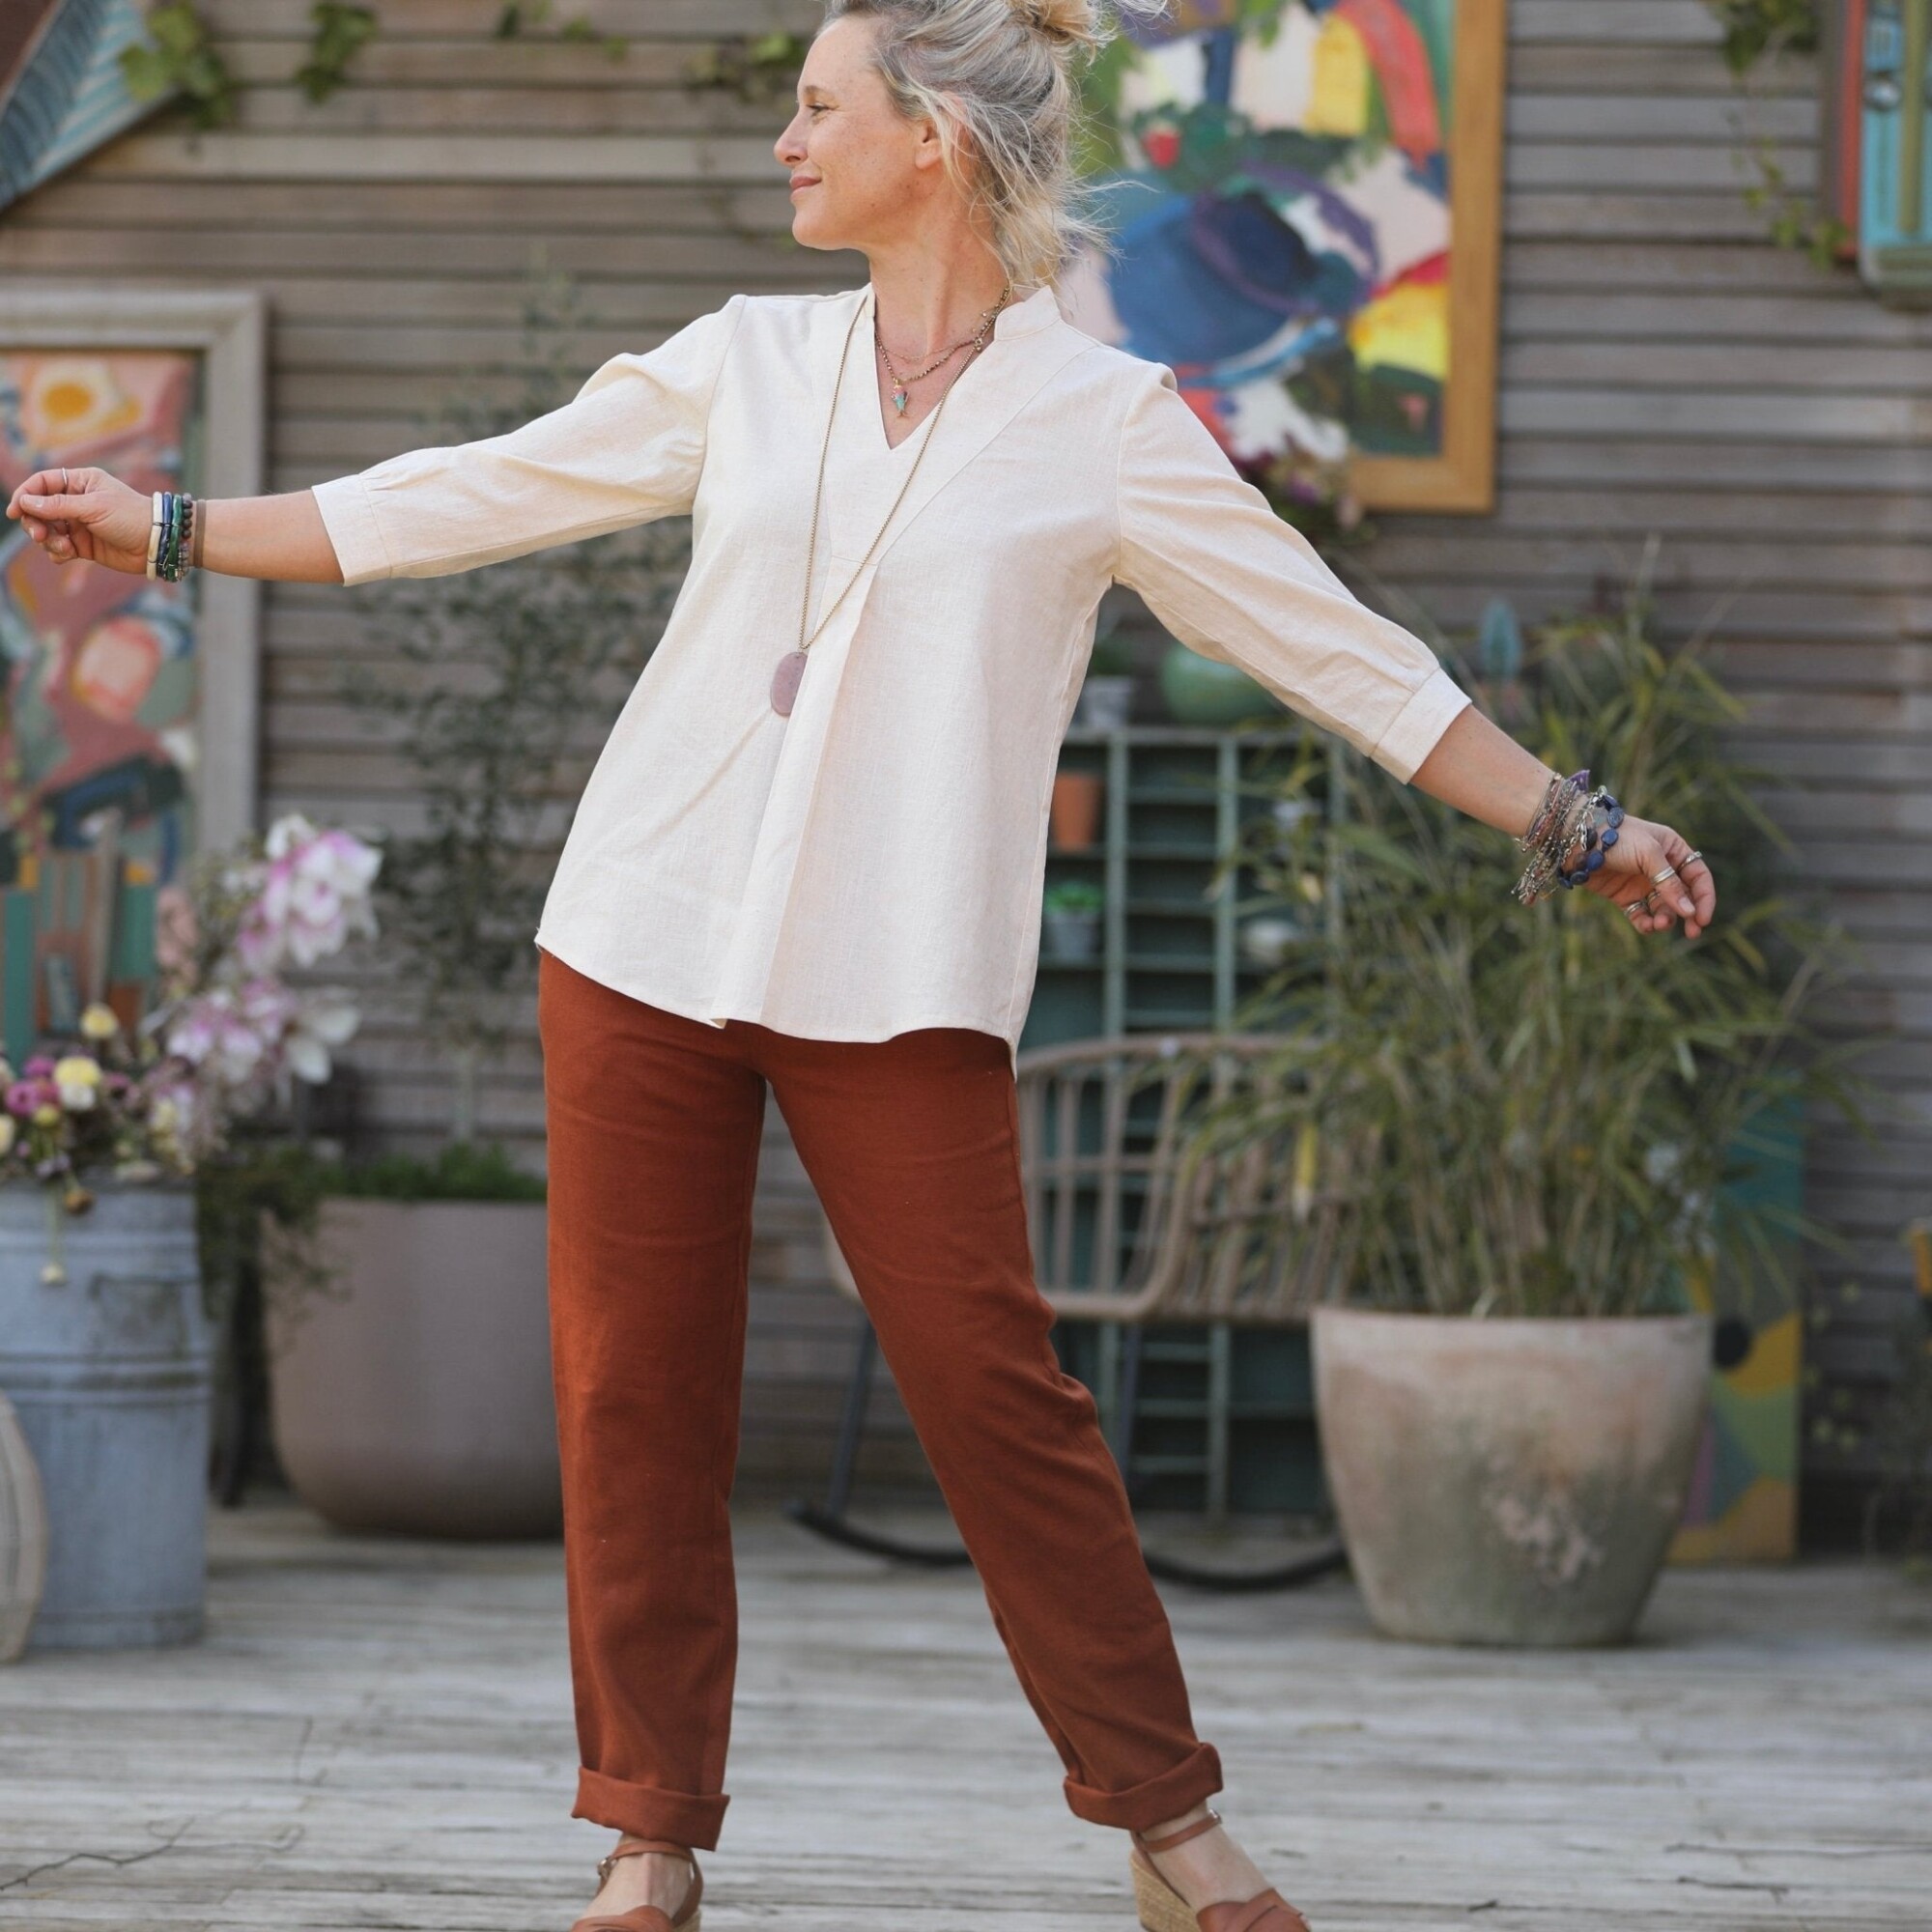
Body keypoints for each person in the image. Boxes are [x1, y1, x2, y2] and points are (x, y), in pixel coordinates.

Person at [6, 3, 1716, 1927]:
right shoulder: (747, 359)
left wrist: (1574, 820)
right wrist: (168, 527)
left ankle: (1170, 1825)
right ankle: (649, 1835)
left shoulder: (1105, 426)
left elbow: (1338, 649)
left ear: (935, 138)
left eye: (817, 108)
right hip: (643, 934)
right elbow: (472, 490)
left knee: (994, 1393)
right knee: (634, 1391)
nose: (786, 142)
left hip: (898, 969)